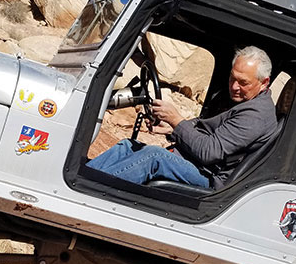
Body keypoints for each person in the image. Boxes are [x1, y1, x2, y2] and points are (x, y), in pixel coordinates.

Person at [87, 46, 278, 189]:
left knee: (153, 157)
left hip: (211, 179)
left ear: (264, 83)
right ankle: (81, 179)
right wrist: (172, 130)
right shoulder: (243, 100)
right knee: (127, 146)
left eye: (243, 82)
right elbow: (207, 134)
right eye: (232, 78)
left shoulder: (256, 115)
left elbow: (209, 152)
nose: (234, 86)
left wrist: (177, 121)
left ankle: (91, 190)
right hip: (199, 163)